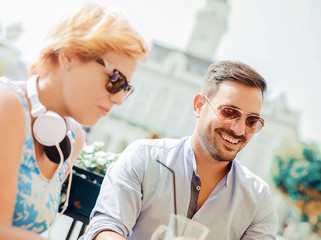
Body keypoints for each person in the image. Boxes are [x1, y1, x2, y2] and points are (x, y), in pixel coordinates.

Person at [83, 61, 279, 240]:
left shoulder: (258, 199)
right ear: (199, 106)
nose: (239, 129)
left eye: (252, 121)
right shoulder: (144, 156)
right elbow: (106, 228)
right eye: (229, 112)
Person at [0, 3, 148, 240]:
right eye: (116, 80)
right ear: (69, 55)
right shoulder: (7, 105)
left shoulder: (71, 138)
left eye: (126, 88)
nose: (119, 99)